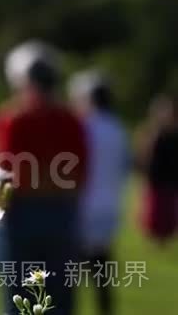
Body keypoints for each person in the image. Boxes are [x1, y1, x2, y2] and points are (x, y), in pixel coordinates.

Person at [0, 40, 87, 315]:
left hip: (22, 211)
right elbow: (81, 171)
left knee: (18, 293)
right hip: (62, 210)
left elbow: (3, 169)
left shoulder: (13, 117)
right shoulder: (71, 119)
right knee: (60, 294)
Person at [68, 70, 130, 315]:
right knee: (102, 271)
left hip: (82, 207)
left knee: (70, 272)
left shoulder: (82, 127)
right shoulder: (118, 129)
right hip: (110, 208)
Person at [136, 95, 178, 244]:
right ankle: (155, 238)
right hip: (156, 179)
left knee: (167, 212)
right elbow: (144, 156)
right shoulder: (150, 133)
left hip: (170, 180)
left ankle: (164, 238)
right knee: (155, 211)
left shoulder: (173, 135)